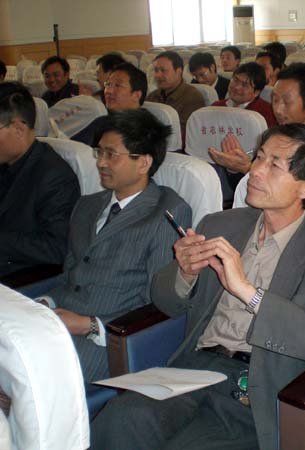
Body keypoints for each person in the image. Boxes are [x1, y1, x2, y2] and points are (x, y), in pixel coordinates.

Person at [90, 123, 305, 450]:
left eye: (274, 165)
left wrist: (249, 292)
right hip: (193, 369)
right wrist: (185, 272)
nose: (255, 171)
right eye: (259, 157)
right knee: (117, 420)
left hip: (258, 385)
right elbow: (164, 302)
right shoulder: (221, 223)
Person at [40, 109, 192, 383]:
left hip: (110, 339)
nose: (100, 162)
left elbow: (157, 301)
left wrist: (89, 325)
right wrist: (45, 302)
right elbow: (70, 274)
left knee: (29, 376)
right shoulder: (87, 206)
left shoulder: (166, 213)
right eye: (99, 152)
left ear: (143, 162)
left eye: (111, 154)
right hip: (58, 322)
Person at [208, 63, 305, 192]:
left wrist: (248, 168)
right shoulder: (272, 136)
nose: (278, 109)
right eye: (275, 100)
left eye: (287, 101)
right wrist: (234, 168)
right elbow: (243, 190)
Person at [0, 82, 80, 277]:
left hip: (20, 275)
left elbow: (57, 248)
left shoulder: (54, 176)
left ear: (19, 129)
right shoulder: (6, 160)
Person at [71, 62, 148, 145]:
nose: (108, 91)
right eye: (108, 84)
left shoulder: (145, 130)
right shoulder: (101, 120)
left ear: (136, 95)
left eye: (118, 85)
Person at [146, 51, 205, 145]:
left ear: (178, 71)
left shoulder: (192, 97)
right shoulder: (152, 96)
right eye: (156, 70)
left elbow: (182, 133)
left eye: (163, 70)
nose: (157, 75)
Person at [211, 62, 276, 127]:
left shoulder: (266, 114)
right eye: (235, 80)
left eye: (244, 85)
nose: (237, 87)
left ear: (256, 92)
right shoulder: (215, 107)